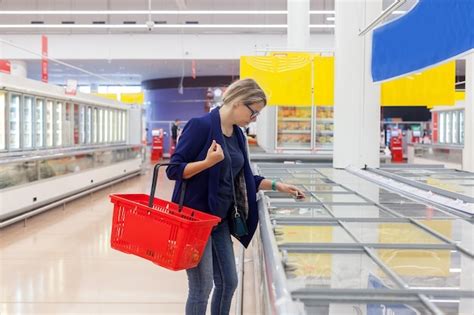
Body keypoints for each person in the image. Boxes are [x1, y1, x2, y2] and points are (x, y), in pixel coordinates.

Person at [166, 78, 305, 315]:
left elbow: (241, 179)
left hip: (220, 220)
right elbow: (174, 170)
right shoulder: (200, 126)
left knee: (229, 281)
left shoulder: (238, 135)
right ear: (239, 102)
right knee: (202, 286)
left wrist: (277, 185)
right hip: (195, 221)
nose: (255, 118)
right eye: (254, 112)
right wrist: (207, 163)